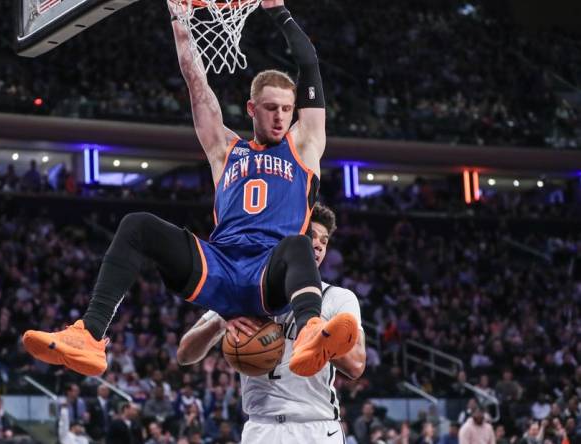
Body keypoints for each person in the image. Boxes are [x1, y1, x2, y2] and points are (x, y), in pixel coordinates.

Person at [22, 0, 357, 380]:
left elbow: (309, 64)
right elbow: (196, 84)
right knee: (137, 225)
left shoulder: (305, 146)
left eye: (286, 108)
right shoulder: (225, 149)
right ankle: (90, 335)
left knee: (298, 244)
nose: (280, 116)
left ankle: (311, 330)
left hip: (270, 274)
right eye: (270, 108)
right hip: (220, 268)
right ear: (251, 108)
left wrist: (278, 10)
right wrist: (180, 20)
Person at [177, 205, 366, 443]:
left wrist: (321, 341)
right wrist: (219, 323)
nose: (317, 245)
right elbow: (184, 354)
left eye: (324, 240)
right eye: (310, 236)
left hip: (315, 427)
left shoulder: (337, 298)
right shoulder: (244, 294)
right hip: (260, 427)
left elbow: (357, 366)